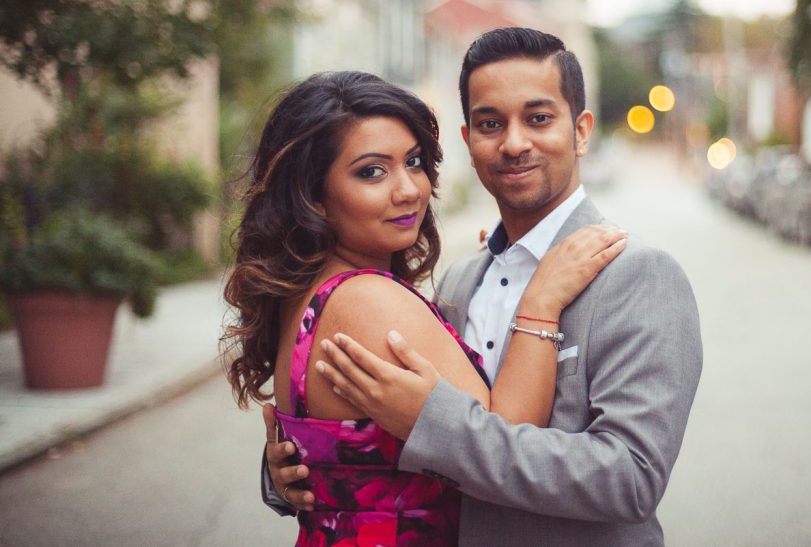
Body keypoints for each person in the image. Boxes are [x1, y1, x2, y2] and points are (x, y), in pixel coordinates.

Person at [265, 28, 703, 545]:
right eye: (490, 123)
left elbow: (630, 480)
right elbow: (369, 443)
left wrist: (434, 422)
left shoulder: (638, 275)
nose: (515, 143)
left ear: (582, 131)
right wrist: (288, 472)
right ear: (468, 140)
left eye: (538, 119)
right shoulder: (459, 280)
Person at [222, 70, 626, 546]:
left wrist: (281, 477)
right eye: (371, 171)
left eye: (413, 162)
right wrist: (540, 299)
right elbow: (503, 442)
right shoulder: (366, 300)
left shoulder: (310, 294)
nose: (409, 189)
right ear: (314, 197)